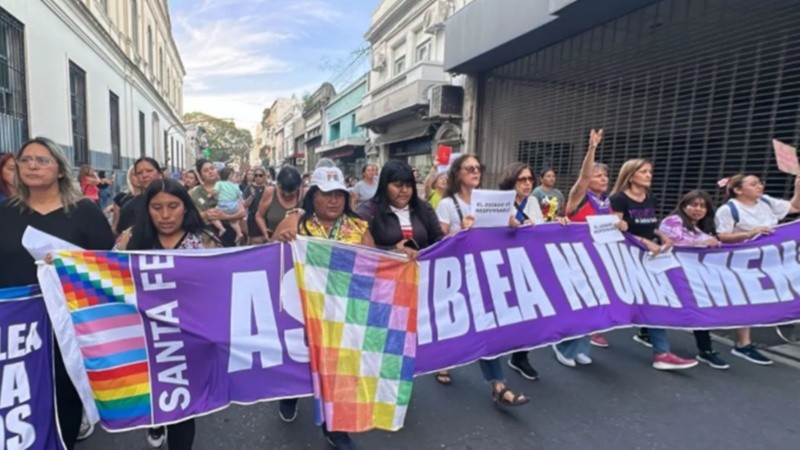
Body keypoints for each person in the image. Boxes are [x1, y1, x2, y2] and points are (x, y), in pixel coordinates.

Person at [0, 137, 115, 449]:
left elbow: (106, 265)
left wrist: (68, 263)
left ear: (61, 170)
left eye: (42, 160)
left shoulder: (85, 213)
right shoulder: (5, 213)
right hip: (16, 329)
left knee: (65, 394)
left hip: (67, 323)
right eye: (25, 160)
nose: (32, 166)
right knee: (20, 394)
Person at [272, 165, 374, 450]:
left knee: (338, 372)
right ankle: (289, 394)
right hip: (302, 314)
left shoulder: (360, 228)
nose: (334, 201)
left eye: (339, 194)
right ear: (312, 196)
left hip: (342, 316)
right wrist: (280, 240)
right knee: (300, 364)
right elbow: (269, 263)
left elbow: (373, 268)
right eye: (326, 194)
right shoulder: (297, 223)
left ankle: (335, 430)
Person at [115, 178, 217, 450]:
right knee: (153, 398)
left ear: (186, 207)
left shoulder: (205, 242)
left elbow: (224, 285)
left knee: (183, 408)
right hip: (144, 339)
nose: (165, 214)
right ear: (146, 209)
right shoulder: (129, 240)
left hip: (189, 342)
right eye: (156, 207)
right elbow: (104, 273)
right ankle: (155, 422)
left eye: (173, 206)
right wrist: (62, 263)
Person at [435, 154, 530, 406]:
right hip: (456, 274)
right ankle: (444, 361)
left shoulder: (493, 201)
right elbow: (437, 243)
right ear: (457, 174)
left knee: (484, 323)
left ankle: (498, 385)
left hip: (484, 273)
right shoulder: (447, 205)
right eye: (469, 168)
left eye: (479, 167)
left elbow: (506, 231)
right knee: (452, 319)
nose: (476, 172)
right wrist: (460, 232)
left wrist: (512, 225)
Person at [610, 158, 697, 371]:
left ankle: (662, 353)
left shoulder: (650, 196)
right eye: (644, 172)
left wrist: (662, 235)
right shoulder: (619, 199)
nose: (649, 175)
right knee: (610, 299)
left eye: (650, 171)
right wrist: (644, 241)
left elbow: (651, 223)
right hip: (624, 257)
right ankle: (572, 342)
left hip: (648, 258)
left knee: (655, 299)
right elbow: (615, 230)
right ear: (631, 176)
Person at [714, 173, 800, 365]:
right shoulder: (728, 210)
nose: (760, 186)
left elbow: (794, 207)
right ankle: (743, 344)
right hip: (744, 264)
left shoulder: (767, 202)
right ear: (738, 190)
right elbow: (723, 237)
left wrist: (798, 185)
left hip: (773, 262)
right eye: (754, 184)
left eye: (760, 183)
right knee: (748, 299)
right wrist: (750, 233)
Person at [500, 162, 568, 378]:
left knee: (529, 311)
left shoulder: (532, 201)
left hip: (527, 264)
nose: (528, 183)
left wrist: (556, 223)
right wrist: (507, 226)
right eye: (522, 179)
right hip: (502, 265)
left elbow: (539, 228)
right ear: (511, 181)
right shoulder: (500, 202)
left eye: (530, 179)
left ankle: (520, 357)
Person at [658, 190, 729, 369]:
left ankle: (706, 350)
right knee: (664, 307)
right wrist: (704, 242)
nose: (698, 209)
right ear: (684, 205)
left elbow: (715, 243)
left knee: (699, 308)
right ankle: (646, 331)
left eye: (702, 206)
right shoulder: (672, 221)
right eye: (694, 204)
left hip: (693, 276)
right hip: (670, 274)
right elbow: (675, 240)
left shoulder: (702, 226)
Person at [560, 129, 617, 350]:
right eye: (598, 175)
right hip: (576, 259)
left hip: (598, 258)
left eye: (605, 175)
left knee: (593, 301)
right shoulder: (579, 196)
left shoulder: (606, 201)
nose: (603, 179)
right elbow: (583, 178)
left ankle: (581, 348)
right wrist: (592, 148)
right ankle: (565, 347)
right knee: (577, 303)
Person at [356, 159, 444, 255]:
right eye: (398, 185)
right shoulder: (367, 212)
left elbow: (439, 241)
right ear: (384, 186)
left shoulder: (424, 208)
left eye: (409, 186)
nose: (405, 190)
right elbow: (357, 250)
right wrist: (393, 251)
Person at [189, 159, 246, 248]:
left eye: (212, 168)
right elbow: (190, 216)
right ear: (201, 176)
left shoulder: (229, 186)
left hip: (230, 234)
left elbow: (242, 212)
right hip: (207, 238)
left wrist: (224, 217)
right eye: (206, 171)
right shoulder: (194, 193)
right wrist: (205, 214)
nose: (210, 172)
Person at [253, 166, 302, 244]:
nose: (287, 195)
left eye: (291, 192)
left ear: (299, 187)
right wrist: (265, 231)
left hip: (299, 246)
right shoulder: (270, 192)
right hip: (275, 244)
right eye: (283, 191)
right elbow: (259, 215)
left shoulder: (305, 194)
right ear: (278, 185)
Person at [116, 157, 163, 234]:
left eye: (149, 171)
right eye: (139, 173)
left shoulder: (176, 197)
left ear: (159, 173)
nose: (144, 175)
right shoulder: (129, 206)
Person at [211, 167, 245, 241]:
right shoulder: (235, 185)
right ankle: (239, 233)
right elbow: (239, 195)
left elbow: (215, 192)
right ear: (230, 176)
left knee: (213, 217)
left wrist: (211, 195)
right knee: (233, 221)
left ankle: (221, 228)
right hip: (234, 206)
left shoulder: (219, 183)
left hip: (223, 205)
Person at [244, 168, 268, 244]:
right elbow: (244, 205)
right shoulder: (250, 188)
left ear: (264, 176)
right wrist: (252, 195)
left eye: (260, 175)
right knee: (255, 241)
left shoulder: (269, 188)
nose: (258, 177)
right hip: (253, 218)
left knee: (267, 239)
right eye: (256, 175)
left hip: (266, 218)